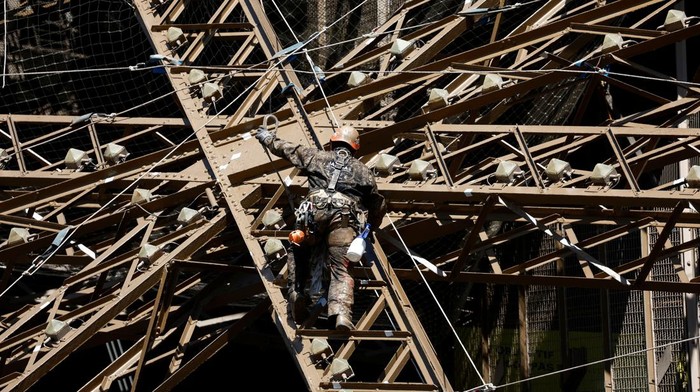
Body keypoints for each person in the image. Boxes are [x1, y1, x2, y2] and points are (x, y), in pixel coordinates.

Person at [256, 124, 387, 330]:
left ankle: (296, 294)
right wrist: (370, 228)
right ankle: (341, 316)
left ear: (333, 142)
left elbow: (287, 149)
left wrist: (266, 137)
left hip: (312, 215)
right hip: (343, 220)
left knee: (298, 251)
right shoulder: (363, 171)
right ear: (355, 148)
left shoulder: (316, 156)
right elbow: (378, 204)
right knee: (342, 269)